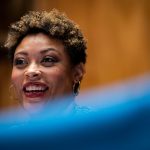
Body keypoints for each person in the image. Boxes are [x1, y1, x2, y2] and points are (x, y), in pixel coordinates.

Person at [4, 9, 87, 115]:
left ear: (77, 73)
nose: (31, 71)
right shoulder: (11, 132)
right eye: (20, 61)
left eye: (48, 59)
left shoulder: (101, 128)